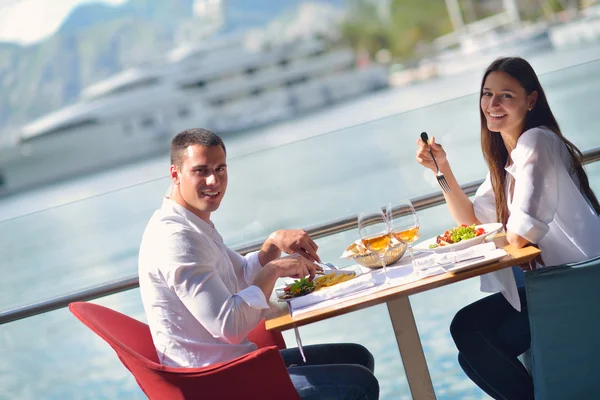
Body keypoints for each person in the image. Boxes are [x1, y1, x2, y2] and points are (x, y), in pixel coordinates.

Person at [138, 128, 379, 399]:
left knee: (357, 357)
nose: (213, 181)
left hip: (239, 365)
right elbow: (229, 325)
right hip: (216, 384)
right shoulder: (175, 238)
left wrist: (272, 245)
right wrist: (274, 270)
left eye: (220, 169)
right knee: (357, 382)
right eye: (201, 171)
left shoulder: (192, 223)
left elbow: (240, 276)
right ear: (175, 174)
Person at [415, 57, 600, 399]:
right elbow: (471, 222)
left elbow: (520, 235)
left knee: (471, 334)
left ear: (531, 100)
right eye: (487, 94)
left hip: (581, 286)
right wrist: (442, 170)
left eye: (506, 96)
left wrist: (502, 235)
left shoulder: (537, 143)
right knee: (470, 338)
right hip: (555, 284)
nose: (493, 104)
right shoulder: (508, 159)